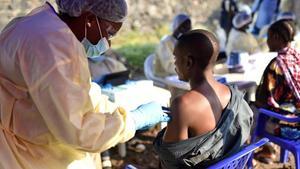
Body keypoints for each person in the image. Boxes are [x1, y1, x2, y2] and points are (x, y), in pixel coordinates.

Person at [0, 0, 170, 169]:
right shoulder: (54, 47)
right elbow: (79, 131)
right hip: (23, 153)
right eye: (109, 33)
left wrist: (117, 110)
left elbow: (80, 95)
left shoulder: (37, 25)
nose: (108, 43)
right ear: (89, 19)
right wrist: (133, 121)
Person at [153, 29, 253, 168]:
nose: (174, 63)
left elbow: (170, 161)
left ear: (188, 62)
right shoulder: (231, 94)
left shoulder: (183, 105)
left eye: (175, 58)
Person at [254, 20, 300, 163]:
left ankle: (268, 151)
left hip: (290, 129)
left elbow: (266, 101)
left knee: (248, 112)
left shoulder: (276, 66)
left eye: (268, 37)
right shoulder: (297, 57)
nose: (267, 41)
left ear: (277, 38)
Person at [153, 13, 192, 77]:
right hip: (164, 76)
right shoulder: (165, 42)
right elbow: (168, 67)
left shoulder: (182, 43)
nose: (186, 31)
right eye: (183, 27)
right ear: (176, 27)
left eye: (188, 29)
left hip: (178, 75)